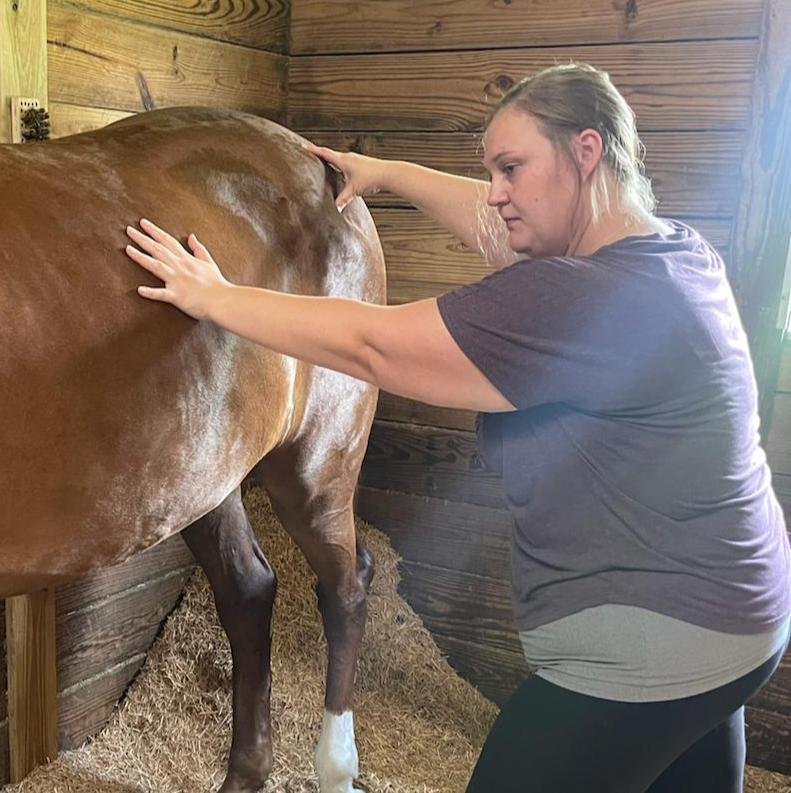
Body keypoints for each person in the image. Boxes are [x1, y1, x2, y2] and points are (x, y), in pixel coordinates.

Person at [123, 62, 791, 793]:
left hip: (649, 650)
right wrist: (388, 173)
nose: (497, 195)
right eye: (490, 173)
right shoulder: (674, 253)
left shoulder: (580, 299)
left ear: (587, 152)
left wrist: (216, 298)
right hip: (740, 619)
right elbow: (495, 215)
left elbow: (370, 344)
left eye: (512, 168)